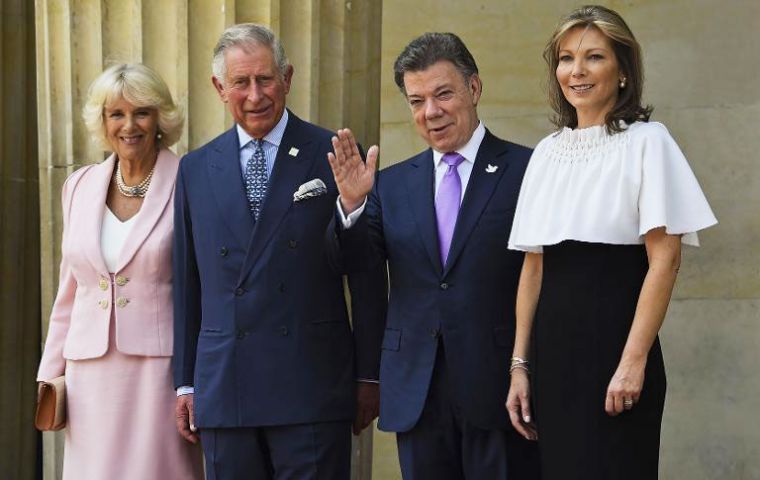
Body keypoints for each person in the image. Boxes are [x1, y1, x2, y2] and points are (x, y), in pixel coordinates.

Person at [505, 5, 718, 479]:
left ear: (623, 71)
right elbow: (533, 268)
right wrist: (520, 366)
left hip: (616, 358)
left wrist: (632, 362)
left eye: (594, 57)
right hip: (555, 360)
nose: (576, 71)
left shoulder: (648, 142)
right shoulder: (545, 154)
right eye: (565, 58)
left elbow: (665, 262)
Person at [172, 23, 386, 480]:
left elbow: (365, 273)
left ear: (287, 78)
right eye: (240, 83)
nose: (255, 95)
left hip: (310, 386)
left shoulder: (333, 154)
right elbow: (188, 282)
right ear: (219, 88)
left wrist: (369, 374)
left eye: (265, 79)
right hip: (227, 387)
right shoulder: (194, 169)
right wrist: (186, 382)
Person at [328, 33, 540, 479]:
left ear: (474, 89)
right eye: (417, 100)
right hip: (417, 391)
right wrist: (351, 207)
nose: (431, 112)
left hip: (498, 387)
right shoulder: (390, 184)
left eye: (444, 93)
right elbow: (359, 267)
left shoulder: (529, 170)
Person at [36, 63, 203, 480]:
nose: (129, 125)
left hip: (159, 374)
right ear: (103, 122)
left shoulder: (191, 179)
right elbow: (69, 290)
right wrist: (49, 373)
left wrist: (198, 378)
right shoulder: (78, 185)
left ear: (160, 119)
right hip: (87, 374)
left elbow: (204, 285)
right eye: (117, 114)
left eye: (141, 112)